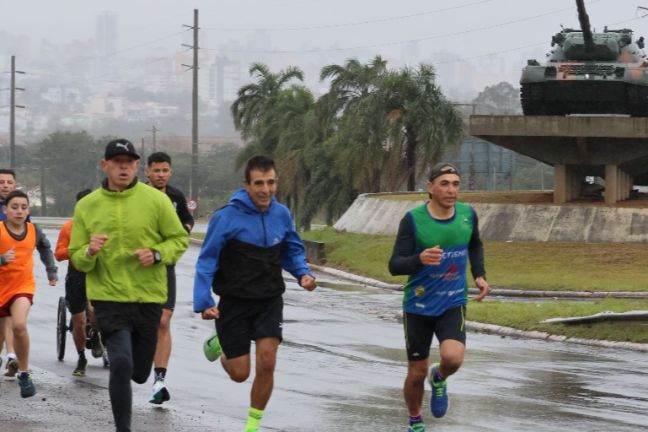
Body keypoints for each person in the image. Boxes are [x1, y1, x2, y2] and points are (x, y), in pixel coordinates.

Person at [69, 138, 188, 432]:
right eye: (117, 162)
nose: (124, 168)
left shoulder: (157, 201)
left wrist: (158, 254)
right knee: (120, 362)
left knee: (138, 372)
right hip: (109, 298)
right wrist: (89, 251)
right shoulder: (87, 206)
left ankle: (139, 371)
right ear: (105, 165)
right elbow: (76, 256)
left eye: (129, 163)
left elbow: (179, 239)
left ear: (136, 166)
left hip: (148, 298)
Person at [194, 155, 316, 432]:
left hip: (269, 300)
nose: (265, 190)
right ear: (246, 185)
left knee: (267, 361)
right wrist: (204, 301)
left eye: (271, 182)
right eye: (259, 183)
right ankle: (222, 345)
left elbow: (292, 250)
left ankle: (252, 426)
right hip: (234, 303)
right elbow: (207, 260)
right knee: (240, 374)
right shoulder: (226, 217)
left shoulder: (281, 214)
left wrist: (303, 274)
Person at [388, 163, 490, 432]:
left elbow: (475, 244)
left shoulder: (468, 215)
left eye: (456, 184)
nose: (451, 190)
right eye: (444, 183)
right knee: (415, 373)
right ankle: (415, 421)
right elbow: (395, 265)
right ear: (430, 187)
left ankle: (440, 376)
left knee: (453, 357)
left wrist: (479, 274)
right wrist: (419, 259)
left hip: (452, 302)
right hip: (418, 306)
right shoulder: (413, 220)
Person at [144, 151, 194, 404]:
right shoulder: (137, 195)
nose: (161, 175)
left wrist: (183, 230)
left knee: (164, 321)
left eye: (165, 171)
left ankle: (159, 380)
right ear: (147, 172)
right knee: (140, 322)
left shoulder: (175, 196)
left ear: (170, 172)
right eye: (156, 171)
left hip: (165, 267)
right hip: (138, 268)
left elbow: (188, 219)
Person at [0, 190, 58, 397]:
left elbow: (45, 249)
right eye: (14, 207)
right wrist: (1, 260)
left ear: (28, 210)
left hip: (22, 287)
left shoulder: (34, 230)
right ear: (5, 210)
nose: (19, 211)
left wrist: (51, 271)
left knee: (18, 325)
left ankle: (24, 373)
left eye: (24, 207)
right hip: (0, 288)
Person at [54, 188, 102, 377]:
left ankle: (97, 334)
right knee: (79, 321)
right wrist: (77, 251)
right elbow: (58, 254)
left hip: (97, 276)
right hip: (76, 276)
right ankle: (81, 356)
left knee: (94, 311)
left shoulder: (102, 227)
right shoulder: (68, 227)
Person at [0, 168, 20, 376]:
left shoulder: (20, 209)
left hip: (13, 276)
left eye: (9, 182)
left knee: (9, 317)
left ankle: (12, 355)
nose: (5, 185)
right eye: (1, 182)